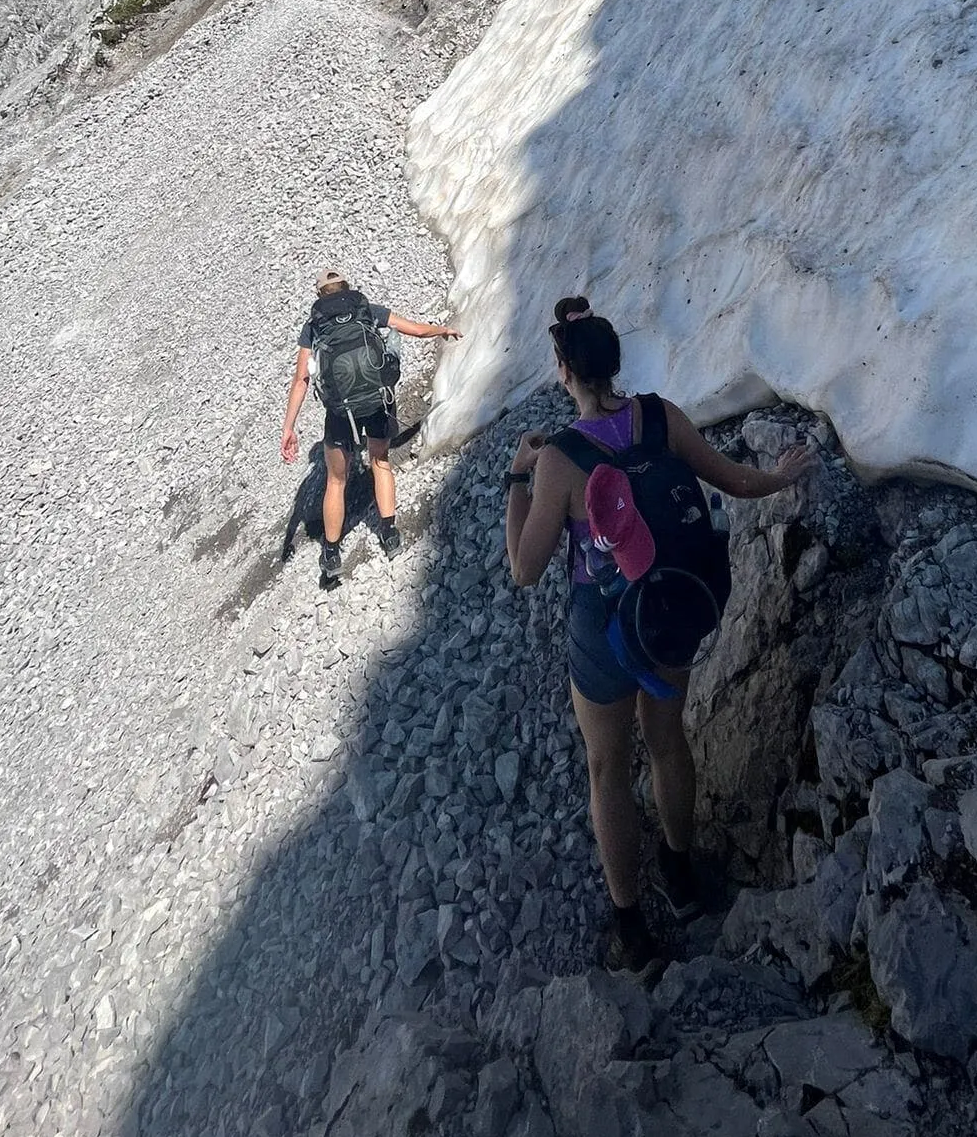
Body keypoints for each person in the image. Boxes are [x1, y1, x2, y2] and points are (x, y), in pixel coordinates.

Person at [503, 295, 812, 971]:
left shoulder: (558, 460)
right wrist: (781, 475)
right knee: (667, 740)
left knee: (608, 768)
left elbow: (525, 569)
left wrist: (517, 477)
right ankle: (679, 870)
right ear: (613, 363)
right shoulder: (659, 416)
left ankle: (631, 924)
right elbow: (732, 481)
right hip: (670, 608)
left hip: (605, 627)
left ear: (564, 371)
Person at [280, 270, 461, 587]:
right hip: (377, 403)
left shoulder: (314, 326)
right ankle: (390, 535)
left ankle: (332, 554)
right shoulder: (367, 310)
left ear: (320, 295)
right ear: (346, 289)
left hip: (340, 413)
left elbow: (301, 380)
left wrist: (289, 427)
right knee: (380, 461)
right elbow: (415, 330)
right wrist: (442, 330)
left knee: (336, 480)